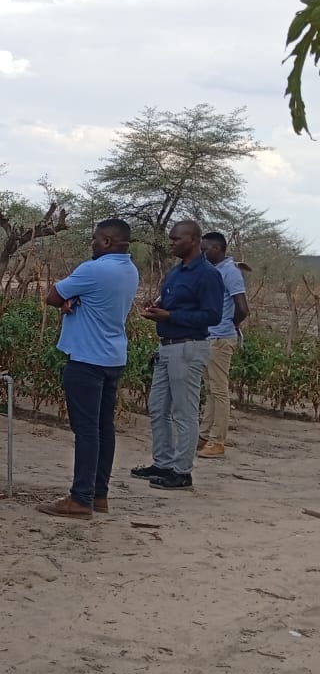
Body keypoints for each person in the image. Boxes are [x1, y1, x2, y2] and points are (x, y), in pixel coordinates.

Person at [37, 219, 140, 520]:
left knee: (86, 430)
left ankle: (80, 499)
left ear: (106, 241)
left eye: (95, 239)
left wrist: (70, 297)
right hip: (113, 357)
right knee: (104, 428)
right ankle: (99, 494)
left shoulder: (93, 269)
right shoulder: (129, 270)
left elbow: (52, 297)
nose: (92, 244)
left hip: (86, 358)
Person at [130, 220, 223, 491]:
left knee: (184, 410)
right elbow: (168, 301)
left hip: (188, 346)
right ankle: (163, 462)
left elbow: (213, 315)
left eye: (176, 239)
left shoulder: (207, 274)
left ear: (194, 240)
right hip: (168, 345)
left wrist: (170, 315)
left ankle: (182, 471)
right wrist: (156, 308)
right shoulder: (176, 272)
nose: (172, 243)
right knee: (158, 408)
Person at [196, 232, 250, 460]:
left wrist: (231, 324)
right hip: (211, 336)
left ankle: (218, 441)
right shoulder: (215, 271)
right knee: (211, 389)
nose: (202, 253)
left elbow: (242, 307)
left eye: (205, 249)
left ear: (217, 248)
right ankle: (205, 435)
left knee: (218, 390)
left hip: (220, 338)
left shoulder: (230, 272)